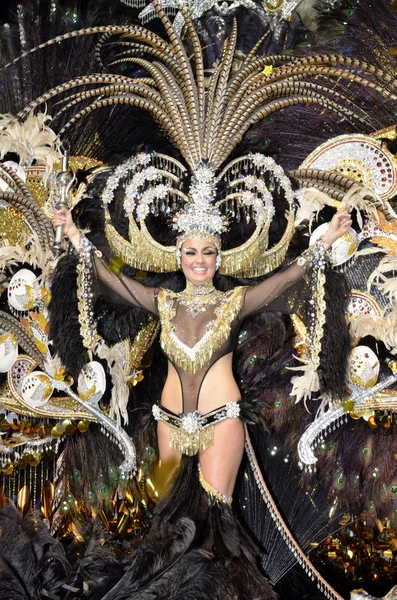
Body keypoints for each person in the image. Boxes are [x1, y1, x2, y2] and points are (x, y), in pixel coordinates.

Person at [51, 203, 352, 598]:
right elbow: (110, 277)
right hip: (168, 421)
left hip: (221, 419)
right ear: (179, 256)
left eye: (206, 252)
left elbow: (287, 277)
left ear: (218, 258)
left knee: (216, 523)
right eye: (190, 252)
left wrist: (326, 239)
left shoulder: (236, 302)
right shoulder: (162, 301)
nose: (198, 261)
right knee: (170, 522)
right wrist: (74, 235)